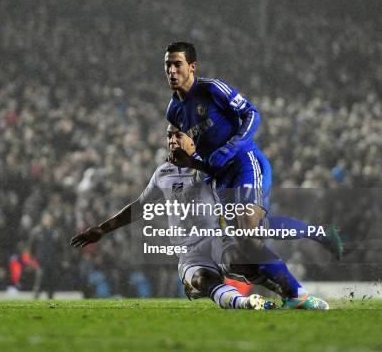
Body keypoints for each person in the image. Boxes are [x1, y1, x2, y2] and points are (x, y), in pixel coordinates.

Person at [72, 125, 327, 309]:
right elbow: (139, 205)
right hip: (189, 252)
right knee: (202, 280)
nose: (172, 140)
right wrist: (102, 229)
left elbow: (231, 172)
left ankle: (296, 295)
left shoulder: (212, 164)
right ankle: (247, 304)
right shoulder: (163, 173)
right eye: (169, 136)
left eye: (178, 135)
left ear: (193, 140)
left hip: (218, 239)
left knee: (238, 261)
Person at [163, 41, 338, 308]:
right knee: (241, 253)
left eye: (177, 64)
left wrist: (232, 146)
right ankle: (296, 295)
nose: (172, 70)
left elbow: (252, 113)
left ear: (192, 67)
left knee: (248, 228)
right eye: (168, 65)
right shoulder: (173, 111)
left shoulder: (211, 89)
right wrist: (190, 162)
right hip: (218, 178)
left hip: (245, 162)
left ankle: (316, 236)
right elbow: (196, 154)